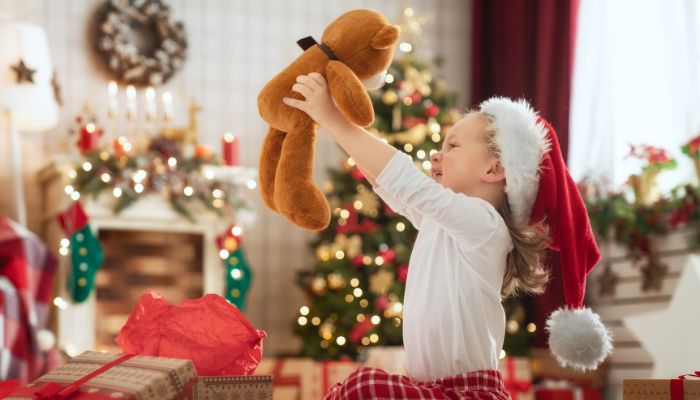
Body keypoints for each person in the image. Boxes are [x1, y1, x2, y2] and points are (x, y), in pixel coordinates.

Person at [283, 73, 611, 400]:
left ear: (494, 170)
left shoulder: (486, 225)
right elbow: (389, 184)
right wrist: (332, 123)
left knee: (362, 389)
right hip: (432, 389)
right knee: (353, 390)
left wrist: (333, 119)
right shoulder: (439, 221)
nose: (437, 156)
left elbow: (405, 181)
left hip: (468, 393)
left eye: (452, 146)